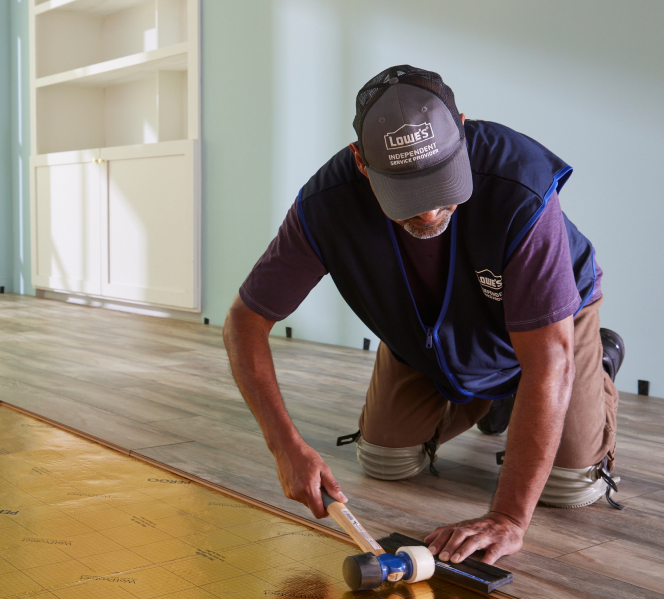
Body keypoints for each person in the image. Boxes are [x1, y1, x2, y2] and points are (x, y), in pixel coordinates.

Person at [223, 66, 626, 566]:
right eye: (407, 195)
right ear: (362, 164)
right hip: (427, 329)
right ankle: (497, 398)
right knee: (385, 461)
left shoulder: (519, 184)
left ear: (461, 126)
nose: (431, 212)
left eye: (442, 184)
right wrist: (284, 444)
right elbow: (245, 321)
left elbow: (548, 361)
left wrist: (508, 518)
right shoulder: (326, 206)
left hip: (549, 326)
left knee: (570, 487)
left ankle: (597, 364)